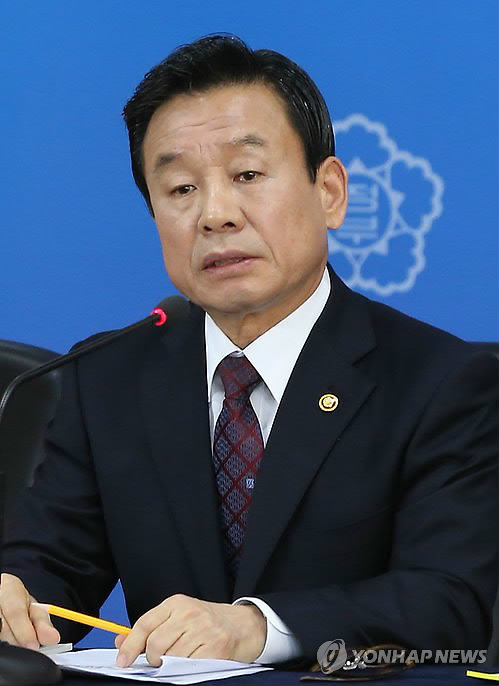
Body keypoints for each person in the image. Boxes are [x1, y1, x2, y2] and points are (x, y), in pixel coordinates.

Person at [0, 35, 497, 669]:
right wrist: (17, 597)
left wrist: (260, 628)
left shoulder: (442, 383)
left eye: (248, 175)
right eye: (181, 188)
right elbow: (49, 562)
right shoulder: (106, 377)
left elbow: (450, 603)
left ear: (330, 192)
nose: (215, 215)